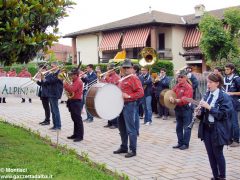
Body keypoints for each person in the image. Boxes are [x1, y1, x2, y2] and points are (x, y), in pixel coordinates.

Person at [197, 73, 233, 180]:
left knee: (218, 154)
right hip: (206, 128)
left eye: (210, 82)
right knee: (210, 155)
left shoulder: (224, 97)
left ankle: (222, 177)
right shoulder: (208, 95)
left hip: (218, 130)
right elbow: (204, 113)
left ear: (217, 83)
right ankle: (215, 176)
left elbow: (223, 115)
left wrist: (209, 107)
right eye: (207, 82)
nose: (208, 85)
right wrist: (199, 113)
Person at [113, 59, 144, 158]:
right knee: (121, 128)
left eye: (128, 67)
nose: (126, 69)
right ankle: (124, 147)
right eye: (124, 67)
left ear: (132, 68)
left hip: (129, 105)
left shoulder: (134, 78)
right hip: (120, 105)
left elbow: (141, 93)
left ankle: (133, 150)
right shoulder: (123, 78)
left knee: (130, 129)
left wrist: (129, 96)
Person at [170, 70, 193, 150]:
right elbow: (172, 92)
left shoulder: (188, 87)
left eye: (181, 77)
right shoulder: (177, 85)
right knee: (178, 127)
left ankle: (186, 144)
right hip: (178, 108)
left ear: (185, 78)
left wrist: (177, 100)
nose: (179, 78)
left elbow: (187, 99)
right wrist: (171, 97)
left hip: (186, 108)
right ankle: (180, 143)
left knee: (186, 127)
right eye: (179, 77)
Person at [64, 68, 84, 142]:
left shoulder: (78, 81)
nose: (70, 76)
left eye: (72, 75)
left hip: (76, 101)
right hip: (72, 101)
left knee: (78, 119)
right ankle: (75, 134)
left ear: (76, 75)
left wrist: (65, 85)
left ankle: (80, 136)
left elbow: (72, 90)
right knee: (74, 119)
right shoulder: (74, 80)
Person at [42, 62, 63, 131]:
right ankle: (55, 125)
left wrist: (46, 78)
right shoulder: (52, 73)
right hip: (50, 93)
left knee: (55, 110)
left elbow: (53, 80)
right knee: (53, 111)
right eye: (51, 66)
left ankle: (58, 126)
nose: (51, 67)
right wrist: (43, 77)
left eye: (52, 66)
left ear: (57, 66)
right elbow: (47, 82)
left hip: (55, 93)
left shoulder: (59, 73)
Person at [223, 63, 240, 147]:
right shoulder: (225, 78)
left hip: (234, 103)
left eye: (228, 69)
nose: (226, 71)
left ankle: (236, 140)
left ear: (232, 70)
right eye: (225, 69)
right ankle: (229, 139)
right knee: (227, 122)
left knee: (234, 122)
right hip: (226, 103)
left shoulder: (237, 79)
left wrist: (231, 93)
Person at [101, 63, 120, 129]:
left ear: (113, 70)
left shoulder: (116, 77)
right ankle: (110, 123)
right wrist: (103, 78)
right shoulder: (109, 75)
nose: (108, 71)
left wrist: (107, 77)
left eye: (109, 70)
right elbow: (103, 82)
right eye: (108, 69)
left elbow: (112, 84)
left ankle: (115, 124)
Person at [133, 64, 144, 136]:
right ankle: (136, 131)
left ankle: (135, 130)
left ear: (135, 70)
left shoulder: (138, 77)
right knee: (135, 114)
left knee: (135, 115)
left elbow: (139, 88)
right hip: (136, 98)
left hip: (136, 98)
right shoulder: (136, 76)